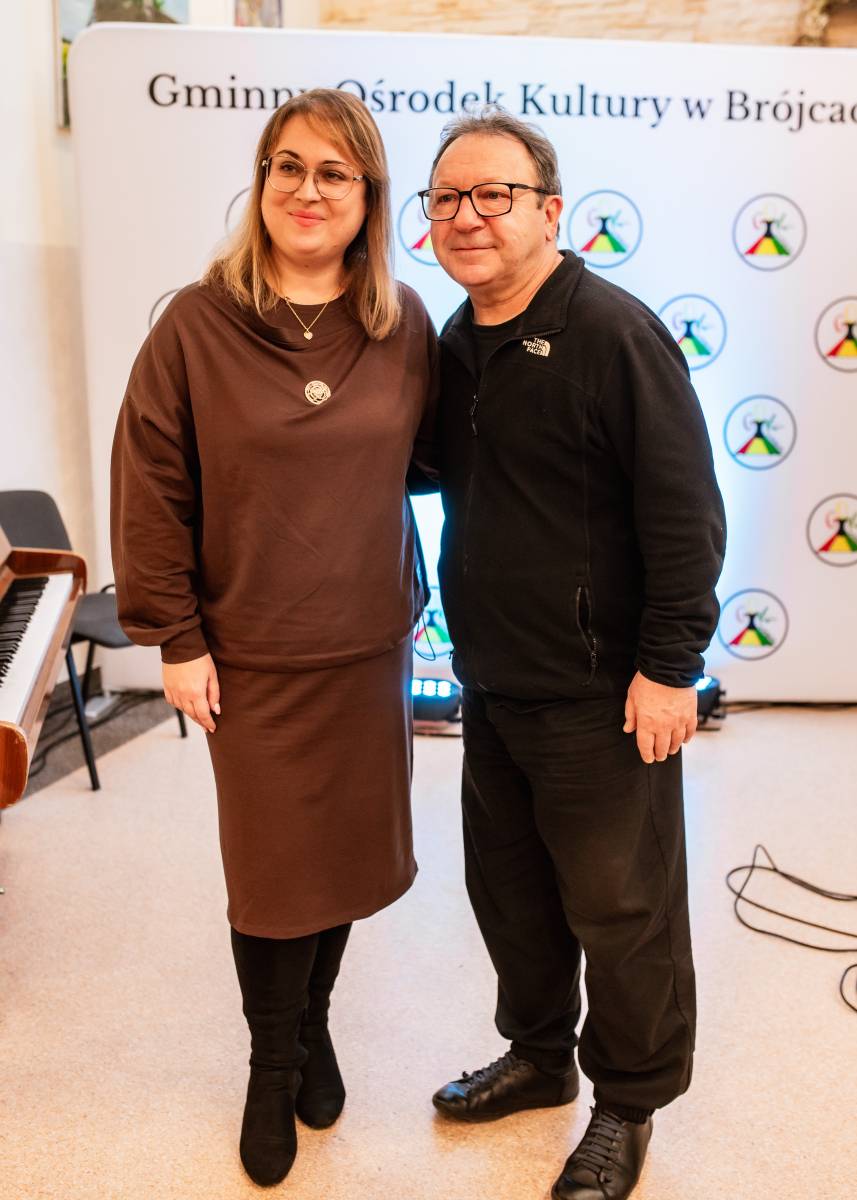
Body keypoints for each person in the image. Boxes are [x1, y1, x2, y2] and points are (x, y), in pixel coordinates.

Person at [110, 89, 436, 1188]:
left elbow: (436, 458)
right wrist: (174, 637)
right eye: (286, 167)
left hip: (366, 648)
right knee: (270, 874)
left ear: (368, 196)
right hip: (248, 654)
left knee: (340, 860)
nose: (307, 190)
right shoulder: (196, 325)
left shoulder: (400, 323)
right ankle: (269, 1064)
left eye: (333, 172)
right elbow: (150, 488)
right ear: (260, 184)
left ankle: (312, 1027)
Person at [422, 110, 725, 1200]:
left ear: (549, 211)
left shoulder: (611, 333)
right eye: (445, 199)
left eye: (492, 195)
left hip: (603, 695)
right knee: (511, 895)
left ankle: (627, 1105)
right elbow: (423, 468)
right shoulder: (456, 343)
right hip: (493, 683)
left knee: (621, 911)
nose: (467, 216)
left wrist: (670, 666)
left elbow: (684, 513)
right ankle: (540, 1056)